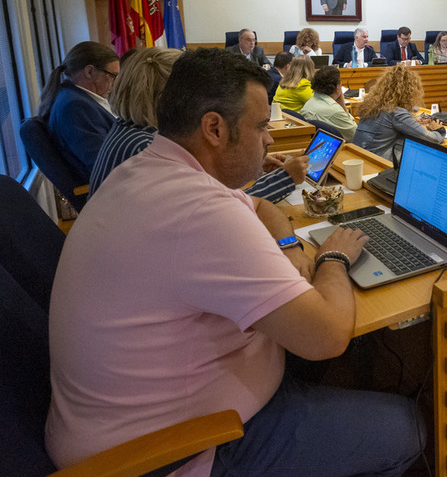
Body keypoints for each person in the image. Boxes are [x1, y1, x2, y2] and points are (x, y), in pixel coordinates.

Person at [46, 48, 424, 475]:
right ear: (214, 128)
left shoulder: (150, 170)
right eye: (261, 126)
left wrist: (289, 244)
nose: (268, 140)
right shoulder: (198, 212)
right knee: (408, 427)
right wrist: (333, 257)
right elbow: (329, 336)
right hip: (179, 452)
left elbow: (259, 205)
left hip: (132, 419)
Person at [88, 47, 307, 201]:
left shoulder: (128, 130)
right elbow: (214, 211)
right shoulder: (146, 148)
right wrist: (285, 178)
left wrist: (248, 164)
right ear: (169, 96)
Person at [38, 41, 119, 178]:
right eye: (112, 76)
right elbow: (103, 165)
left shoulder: (75, 98)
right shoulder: (75, 107)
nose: (115, 83)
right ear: (90, 72)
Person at [353, 65, 444, 161]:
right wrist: (439, 130)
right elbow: (432, 139)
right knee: (422, 152)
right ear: (409, 91)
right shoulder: (395, 112)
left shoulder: (373, 105)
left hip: (360, 156)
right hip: (376, 162)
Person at [300, 66, 357, 142]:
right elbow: (356, 136)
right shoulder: (334, 110)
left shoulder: (308, 104)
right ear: (337, 87)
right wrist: (342, 104)